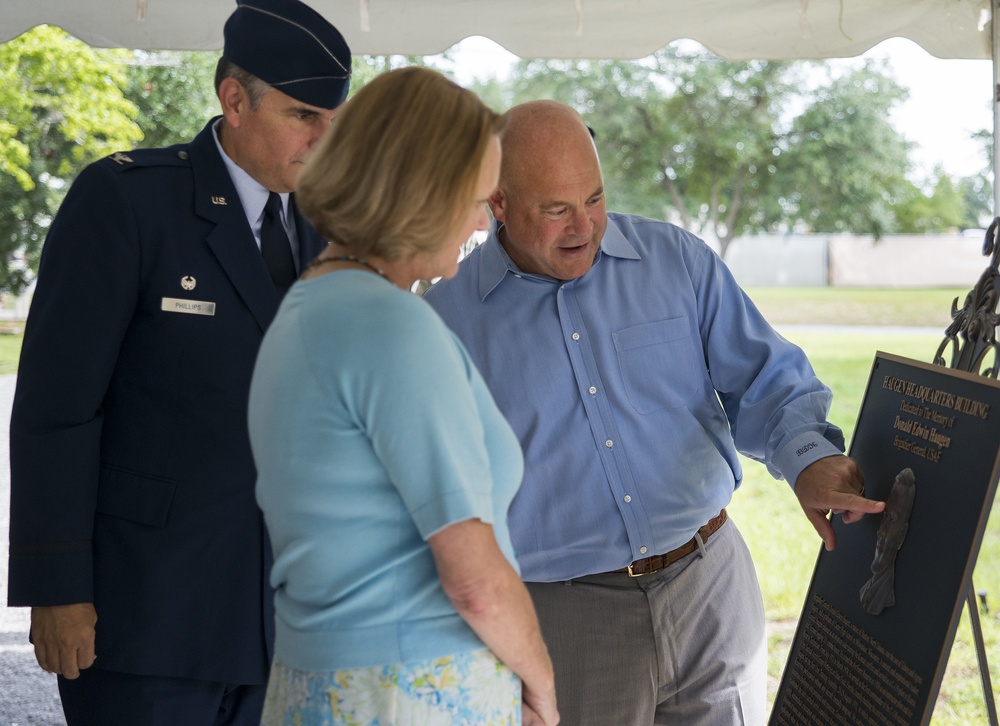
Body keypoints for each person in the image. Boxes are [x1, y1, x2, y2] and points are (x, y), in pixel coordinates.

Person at [423, 99, 886, 725]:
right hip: (566, 622)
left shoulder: (678, 261)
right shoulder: (446, 319)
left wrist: (808, 461)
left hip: (710, 588)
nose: (584, 225)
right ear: (497, 203)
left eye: (593, 198)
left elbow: (765, 379)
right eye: (556, 209)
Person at [6, 1, 351, 723]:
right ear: (233, 99)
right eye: (302, 116)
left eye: (333, 118)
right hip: (148, 619)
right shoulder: (129, 201)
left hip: (290, 625)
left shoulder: (334, 225)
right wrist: (57, 587)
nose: (324, 138)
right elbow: (57, 407)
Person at [247, 66, 558, 726]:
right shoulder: (391, 325)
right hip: (411, 687)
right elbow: (475, 581)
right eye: (478, 198)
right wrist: (541, 683)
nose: (483, 221)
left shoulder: (309, 306)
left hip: (328, 681)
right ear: (423, 193)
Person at [860, 468, 916, 615]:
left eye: (892, 522)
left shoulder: (886, 597)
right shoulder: (865, 591)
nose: (881, 531)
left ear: (901, 535)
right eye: (884, 517)